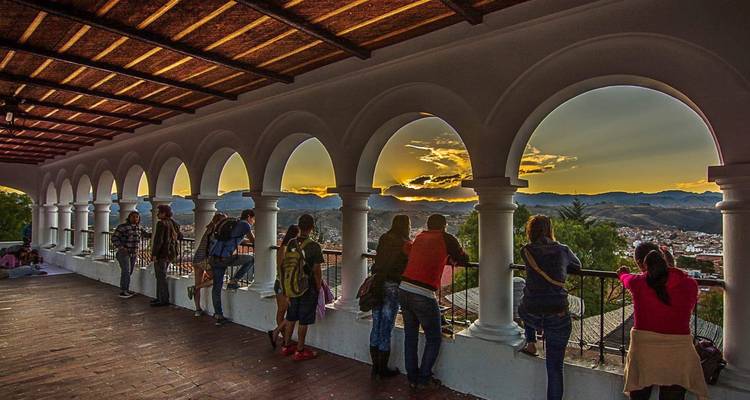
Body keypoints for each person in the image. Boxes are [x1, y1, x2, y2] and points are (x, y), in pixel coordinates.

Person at [618, 243, 708, 400]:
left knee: (639, 395)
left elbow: (626, 278)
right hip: (678, 352)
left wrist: (623, 273)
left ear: (641, 264)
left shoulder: (637, 283)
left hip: (645, 352)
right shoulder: (689, 284)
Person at [399, 214, 469, 390]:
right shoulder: (446, 238)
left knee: (410, 336)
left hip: (404, 288)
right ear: (444, 226)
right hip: (422, 292)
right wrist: (450, 257)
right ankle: (423, 379)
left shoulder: (420, 237)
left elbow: (409, 251)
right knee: (434, 337)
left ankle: (412, 377)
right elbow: (463, 259)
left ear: (428, 225)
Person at [518, 215, 581, 400]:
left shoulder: (526, 250)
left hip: (532, 311)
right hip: (558, 312)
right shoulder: (563, 250)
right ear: (549, 230)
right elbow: (577, 265)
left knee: (522, 308)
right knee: (554, 367)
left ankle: (531, 343)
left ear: (531, 231)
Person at [369, 215, 411, 379]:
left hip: (377, 285)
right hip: (392, 286)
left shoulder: (384, 238)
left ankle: (375, 367)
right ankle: (382, 369)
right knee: (386, 327)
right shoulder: (405, 244)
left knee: (376, 325)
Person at [280, 214, 323, 361]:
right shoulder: (314, 246)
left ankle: (286, 346)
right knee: (304, 319)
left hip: (292, 285)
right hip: (307, 287)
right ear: (312, 227)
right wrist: (318, 288)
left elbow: (285, 265)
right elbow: (317, 271)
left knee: (291, 316)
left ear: (299, 226)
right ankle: (300, 350)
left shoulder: (292, 243)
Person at [208, 209, 256, 326]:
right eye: (253, 219)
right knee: (251, 259)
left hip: (214, 257)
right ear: (249, 217)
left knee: (217, 287)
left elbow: (233, 238)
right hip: (224, 258)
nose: (254, 221)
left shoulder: (234, 224)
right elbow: (254, 240)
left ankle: (218, 314)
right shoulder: (245, 225)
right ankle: (234, 280)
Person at [187, 213, 226, 317]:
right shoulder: (216, 231)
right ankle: (195, 287)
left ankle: (198, 309)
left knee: (198, 281)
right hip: (205, 260)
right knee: (218, 279)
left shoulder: (209, 229)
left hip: (197, 259)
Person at [267, 224, 299, 348]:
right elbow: (283, 269)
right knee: (287, 312)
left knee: (285, 312)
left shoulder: (285, 248)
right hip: (283, 285)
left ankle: (282, 336)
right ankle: (281, 336)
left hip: (281, 284)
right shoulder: (285, 249)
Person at [150, 204, 181, 307]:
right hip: (171, 253)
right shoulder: (174, 223)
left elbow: (158, 241)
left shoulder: (161, 224)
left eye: (159, 212)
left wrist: (154, 254)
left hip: (162, 254)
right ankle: (160, 298)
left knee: (160, 277)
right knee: (161, 276)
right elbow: (180, 236)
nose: (157, 214)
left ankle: (162, 299)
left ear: (163, 213)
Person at [111, 211, 143, 299]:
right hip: (124, 253)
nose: (135, 218)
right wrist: (121, 247)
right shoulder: (123, 227)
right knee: (126, 271)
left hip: (134, 253)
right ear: (129, 217)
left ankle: (126, 289)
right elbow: (114, 238)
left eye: (137, 217)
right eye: (133, 216)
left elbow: (146, 235)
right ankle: (123, 291)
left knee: (129, 271)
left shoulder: (138, 228)